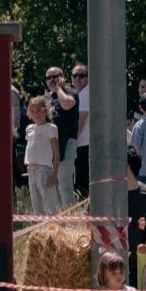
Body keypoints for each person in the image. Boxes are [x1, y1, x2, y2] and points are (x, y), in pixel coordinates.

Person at [42, 66, 79, 202]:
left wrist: (59, 88)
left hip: (67, 142)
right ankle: (58, 219)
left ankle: (70, 218)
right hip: (51, 145)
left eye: (55, 76)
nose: (52, 80)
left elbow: (66, 105)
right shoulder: (47, 97)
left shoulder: (70, 92)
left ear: (62, 77)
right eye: (49, 78)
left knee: (65, 185)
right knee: (53, 185)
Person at [24, 94, 63, 216]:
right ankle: (41, 233)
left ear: (45, 111)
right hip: (31, 170)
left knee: (49, 206)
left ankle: (52, 230)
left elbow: (56, 152)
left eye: (39, 111)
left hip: (44, 170)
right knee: (37, 208)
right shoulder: (29, 128)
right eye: (33, 112)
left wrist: (55, 173)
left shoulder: (51, 128)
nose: (36, 115)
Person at [69, 62, 93, 199]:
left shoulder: (85, 93)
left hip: (83, 145)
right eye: (75, 75)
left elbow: (80, 121)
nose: (78, 79)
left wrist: (72, 142)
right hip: (84, 144)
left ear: (88, 77)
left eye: (82, 76)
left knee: (81, 184)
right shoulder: (81, 94)